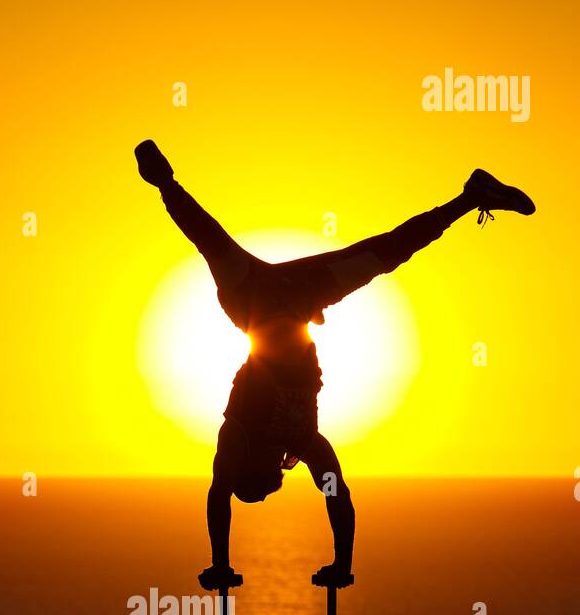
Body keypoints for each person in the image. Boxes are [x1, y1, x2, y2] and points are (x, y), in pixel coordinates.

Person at [135, 139, 535, 589]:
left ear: (255, 470)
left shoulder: (239, 437)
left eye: (269, 482)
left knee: (210, 239)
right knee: (385, 253)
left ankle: (164, 181)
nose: (279, 476)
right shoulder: (302, 441)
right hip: (299, 296)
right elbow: (337, 496)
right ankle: (471, 197)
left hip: (254, 300)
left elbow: (219, 494)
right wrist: (341, 563)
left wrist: (222, 563)